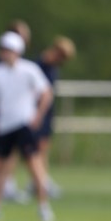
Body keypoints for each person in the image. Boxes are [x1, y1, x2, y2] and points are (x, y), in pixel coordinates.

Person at [0, 31, 55, 221]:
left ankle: (44, 207)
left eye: (9, 50)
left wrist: (37, 116)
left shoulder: (29, 69)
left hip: (23, 124)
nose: (5, 53)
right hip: (4, 126)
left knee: (34, 166)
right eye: (3, 49)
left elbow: (46, 93)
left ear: (17, 51)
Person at [32, 36, 76, 197]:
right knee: (36, 149)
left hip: (47, 111)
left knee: (43, 148)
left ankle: (41, 181)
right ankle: (39, 182)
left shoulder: (53, 67)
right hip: (36, 111)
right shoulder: (39, 65)